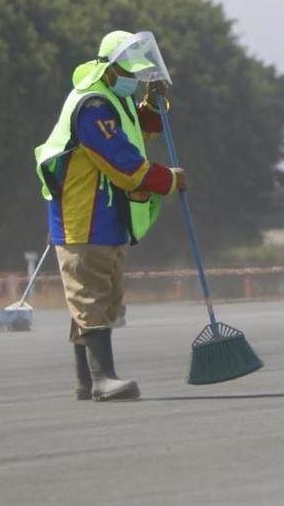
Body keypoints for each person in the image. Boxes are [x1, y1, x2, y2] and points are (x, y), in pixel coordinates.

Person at [35, 30, 186, 401]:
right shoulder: (93, 106)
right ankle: (104, 379)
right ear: (108, 69)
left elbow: (137, 130)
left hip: (107, 217)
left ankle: (86, 381)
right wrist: (167, 180)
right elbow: (123, 162)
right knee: (90, 297)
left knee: (99, 299)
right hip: (84, 218)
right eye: (129, 72)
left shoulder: (112, 103)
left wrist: (153, 106)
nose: (135, 79)